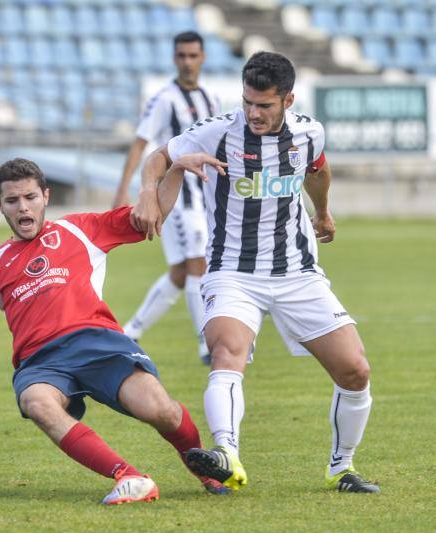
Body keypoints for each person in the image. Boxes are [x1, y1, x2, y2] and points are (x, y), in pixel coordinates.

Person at [0, 158, 230, 504]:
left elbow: (155, 210)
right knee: (36, 402)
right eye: (12, 201)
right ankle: (128, 476)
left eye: (30, 197)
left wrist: (175, 169)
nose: (23, 207)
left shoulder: (80, 229)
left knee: (162, 411)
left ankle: (202, 464)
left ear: (46, 196)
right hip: (41, 363)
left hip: (98, 343)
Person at [131, 51, 380, 494]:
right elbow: (157, 156)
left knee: (355, 370)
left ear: (288, 100)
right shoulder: (219, 132)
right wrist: (149, 191)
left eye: (264, 105)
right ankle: (227, 454)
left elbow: (318, 170)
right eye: (249, 102)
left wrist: (322, 213)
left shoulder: (309, 133)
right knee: (227, 353)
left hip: (297, 273)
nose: (254, 112)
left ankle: (342, 468)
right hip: (232, 272)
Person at [113, 31, 219, 365]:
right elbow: (140, 143)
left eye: (192, 55)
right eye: (181, 56)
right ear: (174, 59)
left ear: (202, 57)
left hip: (203, 197)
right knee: (198, 264)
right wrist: (123, 190)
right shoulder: (164, 99)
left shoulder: (209, 98)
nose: (187, 62)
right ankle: (206, 342)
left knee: (179, 272)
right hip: (177, 199)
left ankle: (130, 330)